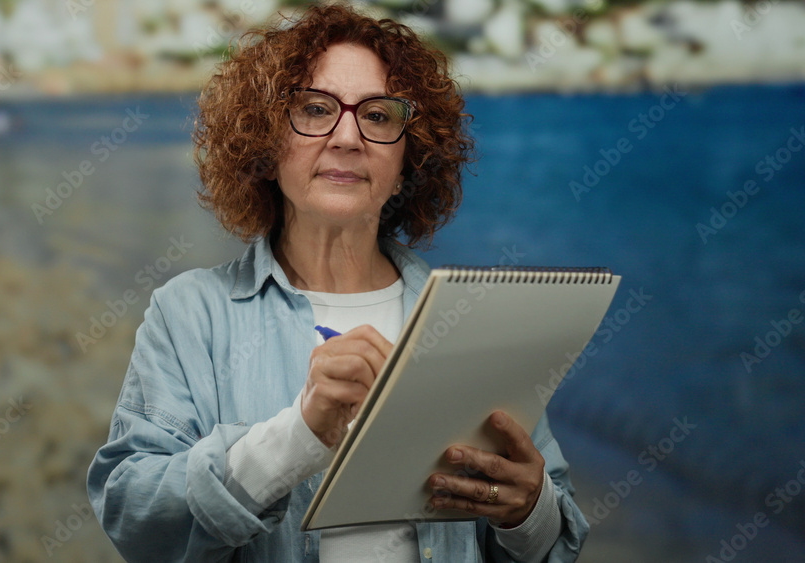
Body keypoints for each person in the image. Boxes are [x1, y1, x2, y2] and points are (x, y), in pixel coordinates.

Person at [87, 4, 589, 561]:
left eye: (378, 116)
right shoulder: (189, 314)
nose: (348, 137)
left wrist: (527, 511)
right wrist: (298, 435)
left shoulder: (476, 318)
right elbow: (134, 517)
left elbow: (555, 539)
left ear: (408, 156)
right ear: (264, 144)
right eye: (314, 108)